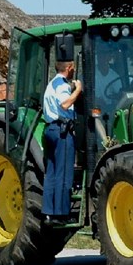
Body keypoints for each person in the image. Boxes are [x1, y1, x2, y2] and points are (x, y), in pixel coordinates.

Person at [42, 60, 82, 226]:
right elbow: (65, 104)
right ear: (69, 67)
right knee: (64, 173)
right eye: (73, 67)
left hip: (51, 129)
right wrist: (78, 90)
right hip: (62, 132)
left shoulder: (51, 84)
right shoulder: (61, 84)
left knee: (51, 173)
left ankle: (48, 213)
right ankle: (61, 214)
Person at [95, 46, 122, 114]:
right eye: (100, 54)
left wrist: (117, 96)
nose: (102, 57)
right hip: (95, 109)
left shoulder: (115, 76)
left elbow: (119, 94)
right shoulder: (90, 73)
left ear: (110, 57)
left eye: (105, 54)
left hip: (110, 109)